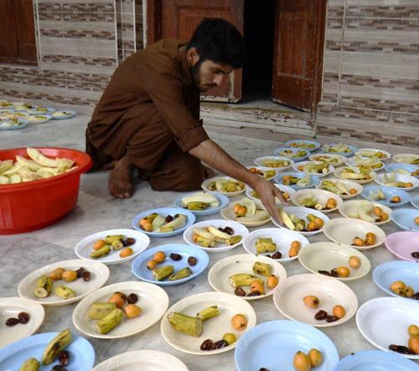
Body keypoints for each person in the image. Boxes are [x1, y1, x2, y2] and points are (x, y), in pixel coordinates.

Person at [86, 18, 284, 220]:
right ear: (192, 55)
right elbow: (189, 134)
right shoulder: (161, 67)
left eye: (224, 74)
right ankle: (125, 163)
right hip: (110, 132)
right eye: (216, 71)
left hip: (151, 134)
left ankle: (142, 161)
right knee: (167, 115)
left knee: (190, 175)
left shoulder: (191, 63)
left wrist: (199, 158)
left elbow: (190, 126)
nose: (219, 81)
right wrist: (255, 181)